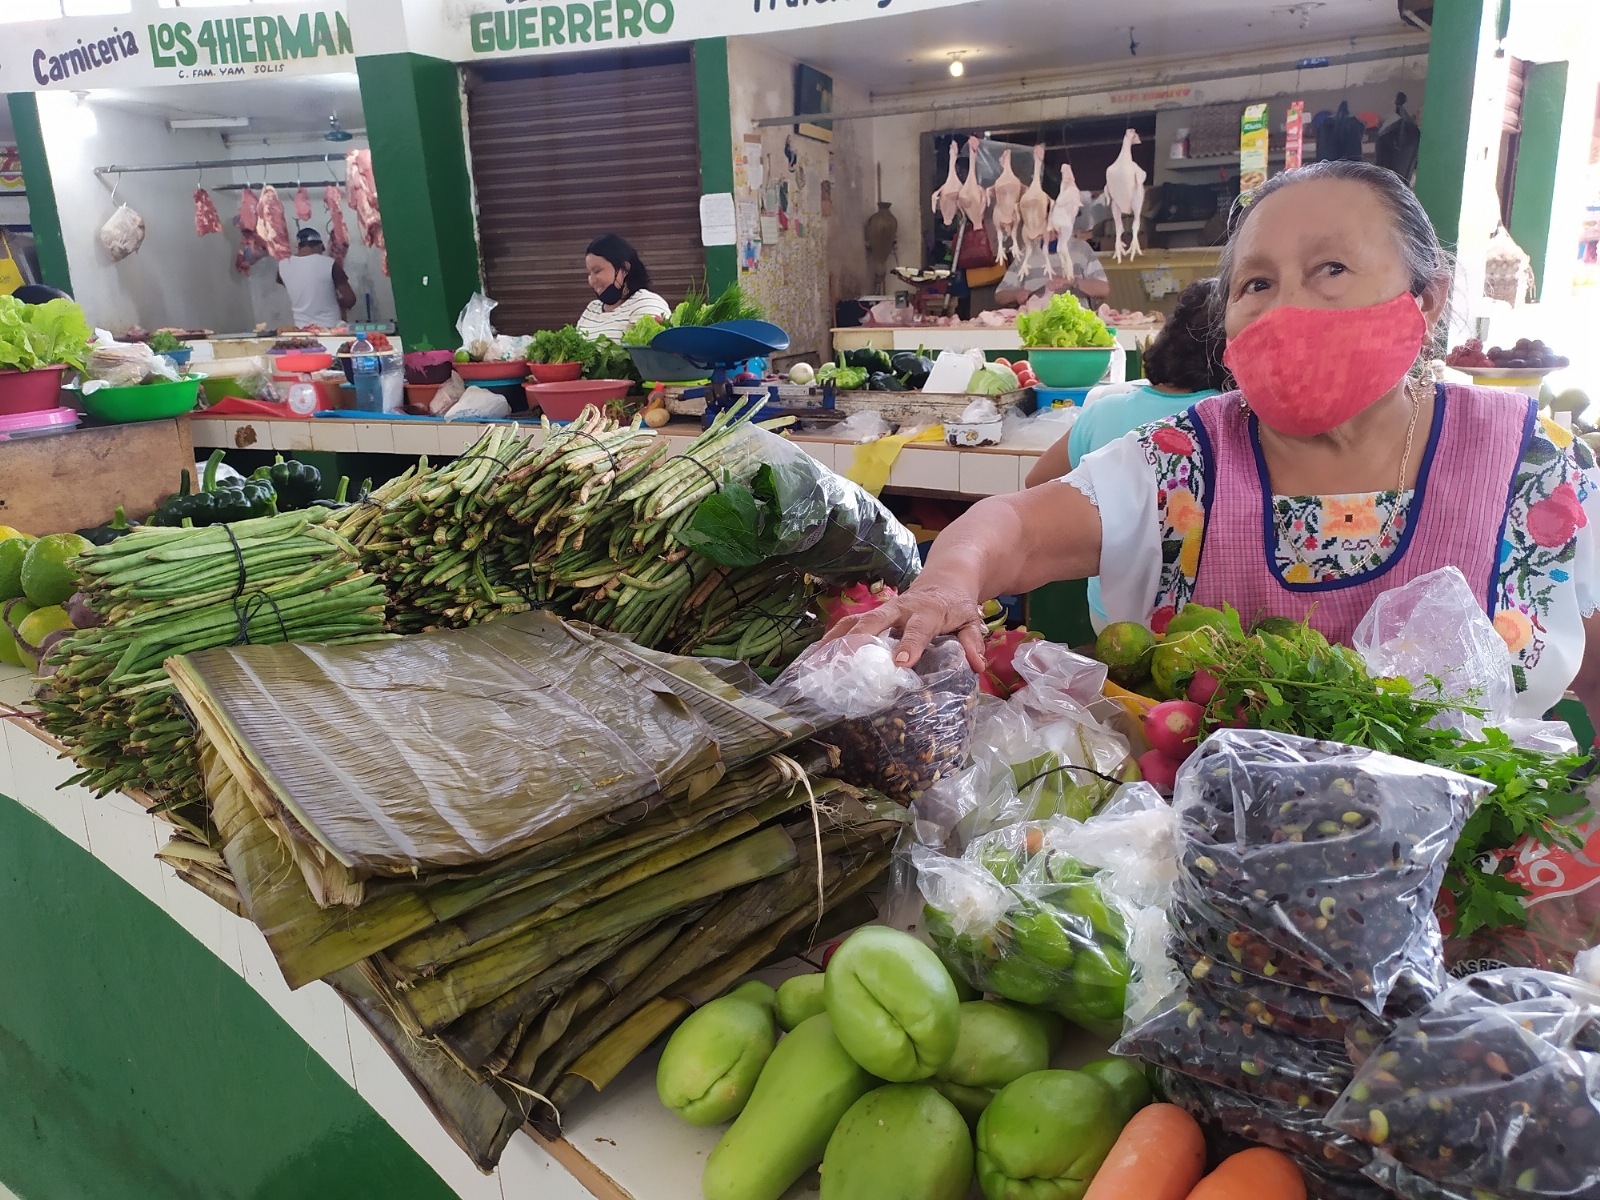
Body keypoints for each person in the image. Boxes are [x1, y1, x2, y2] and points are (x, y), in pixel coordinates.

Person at [829, 159, 1600, 721]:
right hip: (1216, 903)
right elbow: (1016, 527)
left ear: (1425, 299)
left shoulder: (1534, 468)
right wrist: (946, 581)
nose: (1283, 307)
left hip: (1478, 908)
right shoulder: (1181, 464)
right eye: (1255, 284)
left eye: (1330, 268)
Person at [1024, 277, 1229, 630]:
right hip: (1202, 625)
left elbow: (1036, 484)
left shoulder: (1103, 411)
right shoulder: (1232, 417)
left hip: (1111, 619)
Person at [994, 209, 1110, 310]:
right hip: (1036, 319)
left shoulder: (1081, 248)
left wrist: (1073, 281)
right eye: (1047, 227)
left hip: (1076, 319)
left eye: (1057, 228)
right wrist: (1017, 294)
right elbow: (1000, 295)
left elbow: (1103, 289)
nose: (1052, 233)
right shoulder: (1026, 253)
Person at [577, 233, 671, 338]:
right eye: (589, 273)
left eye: (597, 271)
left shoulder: (646, 304)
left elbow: (642, 351)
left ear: (624, 269)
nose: (591, 280)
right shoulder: (592, 309)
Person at [277, 228, 356, 330]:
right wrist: (336, 301)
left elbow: (293, 284)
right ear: (319, 245)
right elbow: (350, 299)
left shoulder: (283, 265)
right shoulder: (329, 264)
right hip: (330, 328)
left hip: (301, 329)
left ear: (299, 246)